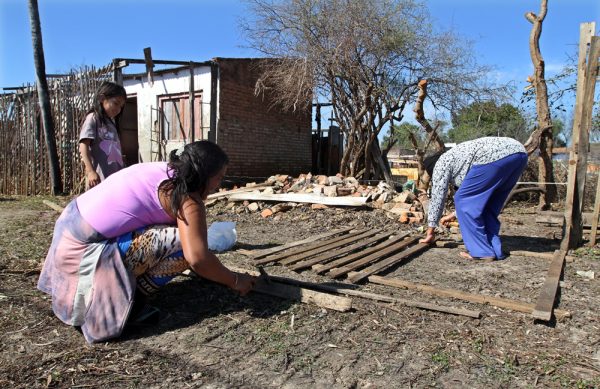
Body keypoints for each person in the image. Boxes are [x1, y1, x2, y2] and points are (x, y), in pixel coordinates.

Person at [38, 141, 256, 343]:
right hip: (85, 254)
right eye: (218, 178)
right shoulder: (186, 196)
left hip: (67, 238)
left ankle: (124, 286)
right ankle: (131, 303)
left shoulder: (166, 171)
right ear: (204, 175)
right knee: (183, 243)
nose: (219, 185)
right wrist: (235, 280)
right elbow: (198, 257)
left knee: (178, 235)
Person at [419, 137, 528, 261]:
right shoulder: (458, 159)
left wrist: (431, 230)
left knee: (462, 199)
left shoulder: (440, 163)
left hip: (493, 157)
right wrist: (455, 213)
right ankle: (494, 250)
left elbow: (438, 198)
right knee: (488, 205)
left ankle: (481, 252)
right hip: (519, 153)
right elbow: (476, 201)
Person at [79, 81, 127, 189]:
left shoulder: (112, 123)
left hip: (114, 178)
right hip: (99, 179)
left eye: (121, 106)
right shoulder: (93, 118)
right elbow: (83, 145)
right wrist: (91, 171)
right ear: (101, 98)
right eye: (116, 103)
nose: (118, 109)